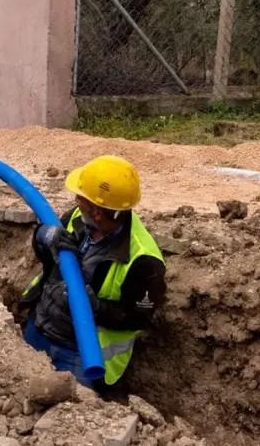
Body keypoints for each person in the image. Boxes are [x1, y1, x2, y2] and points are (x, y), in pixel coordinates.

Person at [18, 155, 167, 400]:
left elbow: (140, 319)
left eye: (81, 198)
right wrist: (42, 236)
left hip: (80, 354)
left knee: (71, 418)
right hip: (38, 328)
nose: (76, 200)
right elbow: (47, 260)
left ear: (98, 213)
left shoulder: (143, 261)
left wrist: (95, 306)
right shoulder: (77, 216)